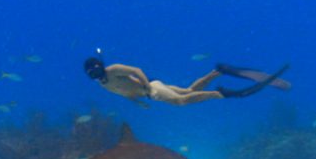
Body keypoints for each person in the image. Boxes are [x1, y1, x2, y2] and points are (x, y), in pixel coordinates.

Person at [83, 57, 291, 107]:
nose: (97, 74)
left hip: (152, 88)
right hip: (147, 94)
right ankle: (217, 72)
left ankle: (222, 93)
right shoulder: (104, 84)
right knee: (188, 90)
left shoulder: (113, 70)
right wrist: (138, 102)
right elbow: (124, 93)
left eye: (97, 70)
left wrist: (146, 86)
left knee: (181, 102)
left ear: (102, 66)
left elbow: (136, 70)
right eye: (92, 74)